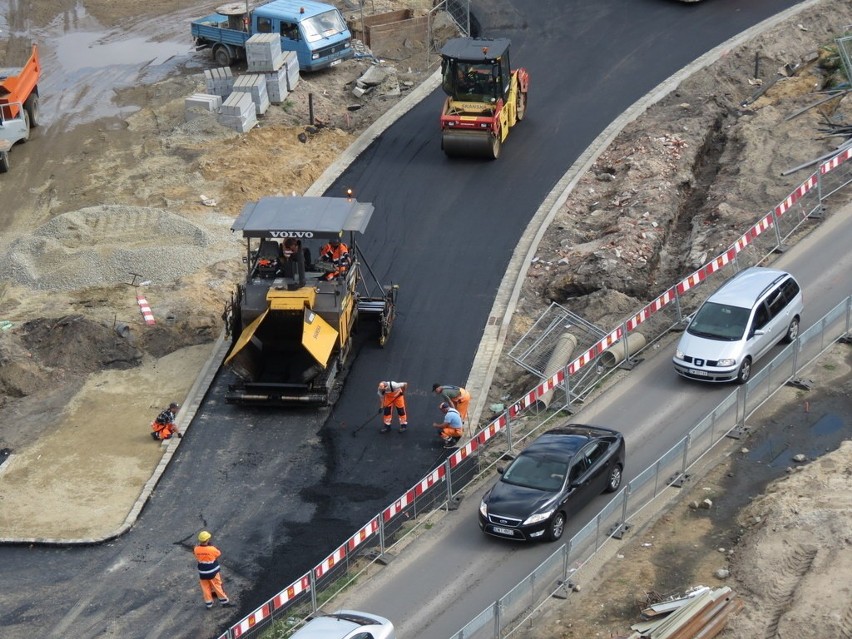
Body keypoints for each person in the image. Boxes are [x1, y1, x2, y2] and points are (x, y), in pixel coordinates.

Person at [193, 530, 232, 609]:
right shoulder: (211, 549)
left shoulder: (196, 549)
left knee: (205, 588)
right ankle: (224, 602)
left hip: (202, 572)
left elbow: (197, 556)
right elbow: (218, 554)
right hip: (212, 571)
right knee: (217, 586)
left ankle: (209, 604)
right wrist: (210, 547)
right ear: (207, 540)